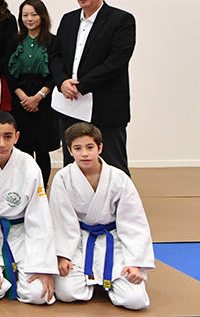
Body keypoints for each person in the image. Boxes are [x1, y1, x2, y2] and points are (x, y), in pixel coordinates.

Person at [50, 123, 153, 310]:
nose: (84, 154)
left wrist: (136, 263)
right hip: (79, 241)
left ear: (100, 147)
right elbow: (61, 220)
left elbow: (133, 222)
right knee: (67, 293)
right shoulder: (63, 178)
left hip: (113, 241)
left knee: (135, 300)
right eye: (78, 148)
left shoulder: (119, 178)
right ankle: (94, 278)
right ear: (69, 151)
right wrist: (62, 255)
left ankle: (109, 277)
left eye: (90, 147)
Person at [0, 111, 57, 305]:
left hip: (19, 234)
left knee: (38, 295)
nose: (2, 144)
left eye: (8, 136)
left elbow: (39, 216)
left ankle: (11, 271)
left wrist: (43, 266)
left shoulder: (29, 165)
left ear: (17, 136)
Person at [49, 0, 136, 176]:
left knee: (113, 162)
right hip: (70, 103)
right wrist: (62, 83)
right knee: (73, 162)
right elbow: (55, 55)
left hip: (105, 104)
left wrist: (80, 86)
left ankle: (119, 207)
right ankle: (75, 206)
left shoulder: (121, 20)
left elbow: (116, 61)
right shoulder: (69, 20)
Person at [8, 0, 60, 185]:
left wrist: (39, 96)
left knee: (42, 148)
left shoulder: (53, 41)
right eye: (25, 15)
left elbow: (56, 72)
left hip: (44, 99)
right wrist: (23, 97)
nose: (29, 19)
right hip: (20, 98)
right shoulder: (15, 41)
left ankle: (42, 188)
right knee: (22, 147)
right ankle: (24, 188)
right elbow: (8, 72)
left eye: (34, 14)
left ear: (42, 16)